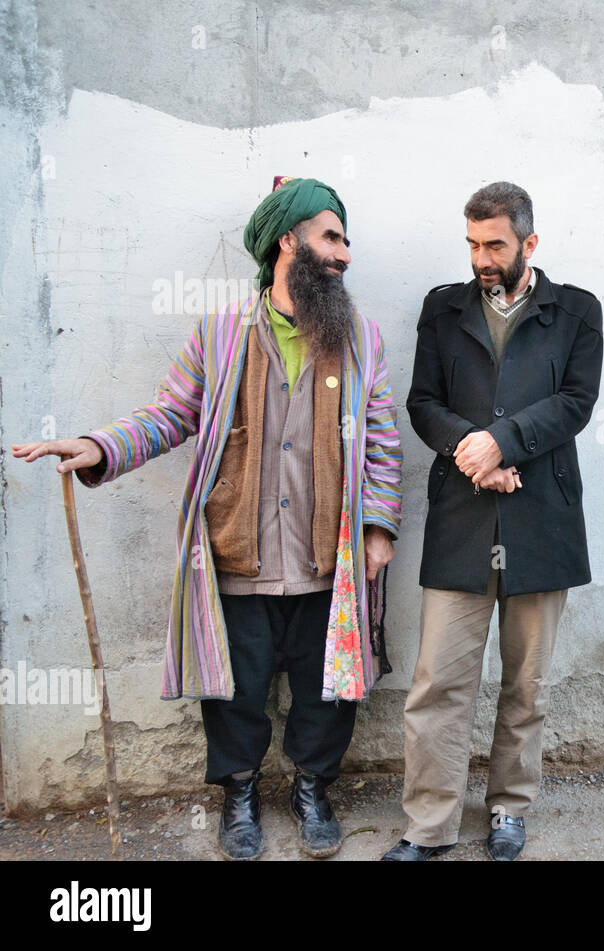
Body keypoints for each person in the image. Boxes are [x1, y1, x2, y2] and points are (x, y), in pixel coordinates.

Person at [10, 176, 402, 861]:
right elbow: (171, 415)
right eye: (331, 235)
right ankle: (240, 792)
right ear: (289, 240)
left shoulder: (360, 338)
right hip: (235, 549)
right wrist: (99, 445)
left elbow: (383, 437)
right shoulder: (220, 334)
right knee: (235, 689)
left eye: (345, 239)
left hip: (326, 554)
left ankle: (314, 787)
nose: (344, 253)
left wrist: (375, 528)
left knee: (327, 687)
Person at [385, 181, 603, 861]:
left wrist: (503, 443)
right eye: (473, 243)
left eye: (495, 244)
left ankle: (509, 806)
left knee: (525, 680)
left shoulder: (577, 312)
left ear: (529, 243)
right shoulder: (442, 309)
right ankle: (429, 825)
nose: (481, 256)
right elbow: (424, 402)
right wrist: (470, 449)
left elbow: (576, 402)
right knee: (438, 681)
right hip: (463, 516)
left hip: (543, 516)